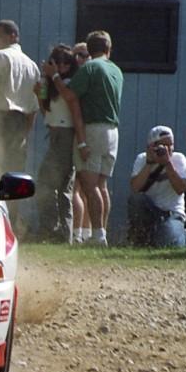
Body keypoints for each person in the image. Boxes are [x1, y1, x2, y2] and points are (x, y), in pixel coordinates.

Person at [44, 31, 123, 247]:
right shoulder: (116, 70)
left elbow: (69, 95)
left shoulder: (90, 67)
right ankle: (99, 232)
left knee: (89, 185)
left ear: (89, 49)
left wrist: (55, 77)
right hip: (112, 130)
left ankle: (97, 236)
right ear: (109, 48)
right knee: (102, 185)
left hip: (93, 129)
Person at [0, 19, 41, 235]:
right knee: (14, 176)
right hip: (20, 122)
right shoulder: (32, 65)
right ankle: (12, 222)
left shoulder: (0, 57)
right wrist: (26, 131)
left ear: (12, 36)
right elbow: (34, 106)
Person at [33, 44, 79, 243]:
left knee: (48, 183)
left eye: (65, 63)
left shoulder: (68, 82)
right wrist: (39, 93)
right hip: (55, 134)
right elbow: (47, 112)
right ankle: (58, 231)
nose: (61, 67)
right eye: (56, 62)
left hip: (66, 135)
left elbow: (68, 96)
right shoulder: (53, 83)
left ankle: (53, 229)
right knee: (59, 187)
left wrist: (53, 76)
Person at [128, 126, 186, 247]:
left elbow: (180, 189)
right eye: (163, 145)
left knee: (171, 246)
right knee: (136, 200)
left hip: (172, 213)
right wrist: (149, 164)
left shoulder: (179, 159)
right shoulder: (142, 159)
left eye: (170, 145)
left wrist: (167, 163)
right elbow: (135, 188)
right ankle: (142, 238)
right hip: (151, 211)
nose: (168, 149)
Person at [71, 42, 91, 242]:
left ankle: (78, 233)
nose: (78, 59)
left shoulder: (82, 79)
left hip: (82, 135)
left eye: (83, 55)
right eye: (75, 55)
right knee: (85, 186)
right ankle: (84, 232)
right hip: (85, 135)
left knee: (80, 186)